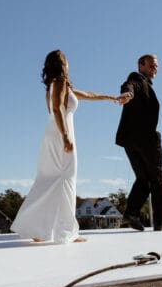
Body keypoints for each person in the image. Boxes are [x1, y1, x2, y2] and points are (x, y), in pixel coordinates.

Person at [12, 50, 128, 245]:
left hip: (54, 132)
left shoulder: (56, 85)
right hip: (60, 133)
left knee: (51, 180)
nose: (68, 63)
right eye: (66, 60)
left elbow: (89, 95)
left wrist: (112, 98)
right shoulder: (59, 82)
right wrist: (65, 136)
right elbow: (57, 108)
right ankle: (66, 231)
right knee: (65, 179)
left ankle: (36, 228)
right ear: (62, 64)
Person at [115, 54, 162, 231]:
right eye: (151, 66)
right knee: (157, 179)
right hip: (145, 139)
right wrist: (127, 94)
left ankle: (131, 214)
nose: (154, 69)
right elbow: (129, 86)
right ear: (140, 65)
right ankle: (160, 222)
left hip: (130, 140)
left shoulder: (144, 83)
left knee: (144, 180)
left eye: (156, 66)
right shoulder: (136, 79)